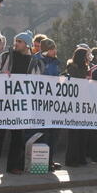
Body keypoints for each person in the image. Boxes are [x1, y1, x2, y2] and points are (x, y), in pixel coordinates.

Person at [0, 31, 33, 176]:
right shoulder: (5, 56)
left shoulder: (33, 61)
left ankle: (14, 166)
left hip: (21, 104)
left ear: (27, 44)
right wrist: (1, 76)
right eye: (16, 41)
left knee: (18, 137)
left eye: (20, 41)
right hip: (4, 103)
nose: (16, 43)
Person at [27, 38, 62, 171]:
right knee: (43, 132)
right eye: (52, 49)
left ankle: (50, 159)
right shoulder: (36, 61)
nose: (55, 51)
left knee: (54, 132)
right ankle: (41, 161)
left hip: (53, 101)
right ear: (46, 50)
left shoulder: (55, 62)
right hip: (40, 102)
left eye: (55, 49)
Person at [65, 48, 90, 167]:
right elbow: (77, 80)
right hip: (74, 104)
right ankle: (71, 159)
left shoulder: (86, 68)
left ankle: (81, 157)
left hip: (83, 103)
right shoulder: (72, 68)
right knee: (74, 133)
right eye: (87, 55)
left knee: (83, 132)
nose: (88, 58)